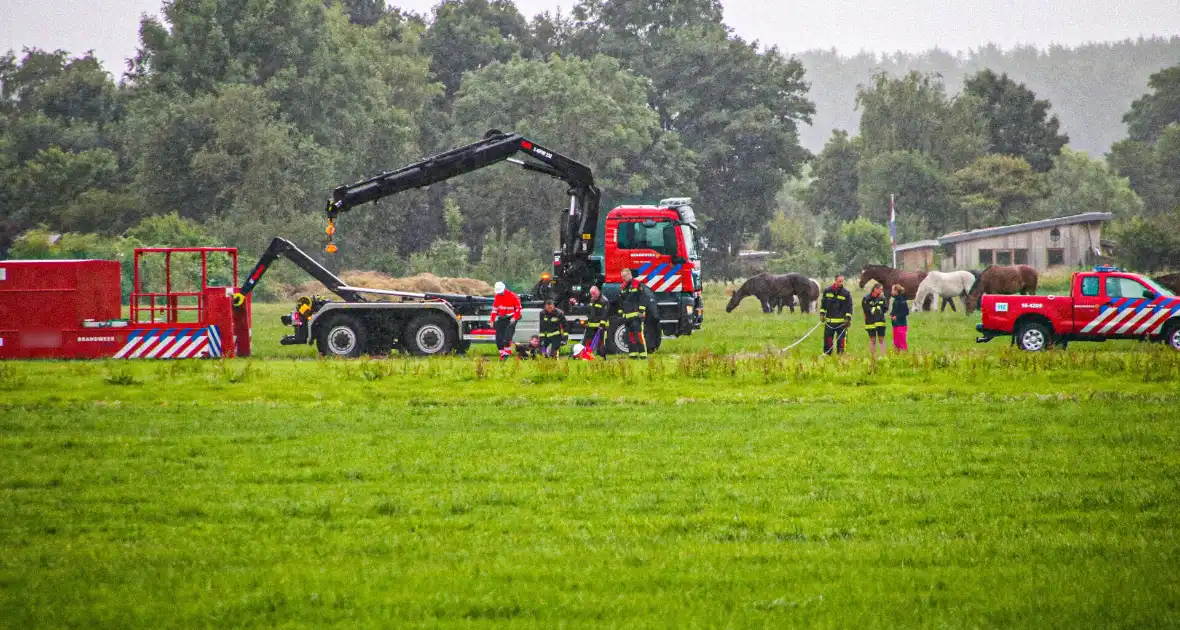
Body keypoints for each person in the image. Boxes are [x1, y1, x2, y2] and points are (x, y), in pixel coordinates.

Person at [819, 274, 852, 355]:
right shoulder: (827, 291)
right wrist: (822, 314)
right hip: (829, 323)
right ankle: (827, 355)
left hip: (841, 323)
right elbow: (823, 304)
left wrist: (848, 318)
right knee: (828, 340)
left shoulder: (846, 293)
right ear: (835, 281)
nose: (841, 283)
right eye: (839, 281)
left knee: (841, 341)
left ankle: (840, 356)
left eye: (842, 281)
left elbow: (849, 307)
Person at [619, 268, 648, 359]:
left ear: (629, 274)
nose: (623, 278)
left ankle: (643, 355)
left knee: (639, 336)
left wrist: (641, 311)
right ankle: (633, 355)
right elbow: (622, 301)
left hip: (636, 316)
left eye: (624, 276)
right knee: (630, 337)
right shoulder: (623, 286)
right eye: (622, 277)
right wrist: (621, 312)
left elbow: (643, 298)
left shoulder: (637, 284)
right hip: (627, 316)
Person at [490, 281, 521, 360]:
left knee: (507, 336)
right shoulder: (497, 296)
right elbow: (494, 310)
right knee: (498, 336)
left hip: (512, 317)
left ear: (504, 289)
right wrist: (492, 320)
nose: (499, 294)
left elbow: (518, 309)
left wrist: (514, 317)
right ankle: (503, 354)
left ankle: (507, 353)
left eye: (500, 292)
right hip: (502, 317)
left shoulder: (513, 296)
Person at [862, 283, 888, 356]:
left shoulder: (882, 298)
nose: (881, 291)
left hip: (881, 322)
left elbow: (885, 308)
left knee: (881, 340)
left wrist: (876, 308)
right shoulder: (866, 298)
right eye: (880, 289)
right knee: (872, 340)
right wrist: (877, 308)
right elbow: (866, 311)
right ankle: (873, 356)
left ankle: (883, 356)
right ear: (875, 289)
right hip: (870, 323)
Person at [584, 285, 610, 357]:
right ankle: (588, 355)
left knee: (601, 342)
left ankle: (602, 357)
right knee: (588, 341)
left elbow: (605, 314)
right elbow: (589, 312)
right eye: (591, 294)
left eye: (594, 293)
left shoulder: (604, 300)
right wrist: (587, 321)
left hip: (600, 326)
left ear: (598, 291)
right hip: (591, 325)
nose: (592, 295)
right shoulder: (592, 300)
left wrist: (601, 325)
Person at [891, 283, 910, 352]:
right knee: (896, 342)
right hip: (895, 324)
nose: (892, 291)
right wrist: (891, 314)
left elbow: (906, 312)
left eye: (892, 290)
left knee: (902, 342)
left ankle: (904, 355)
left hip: (901, 324)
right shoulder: (896, 299)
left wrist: (897, 316)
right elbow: (895, 310)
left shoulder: (902, 300)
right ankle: (897, 356)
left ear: (896, 291)